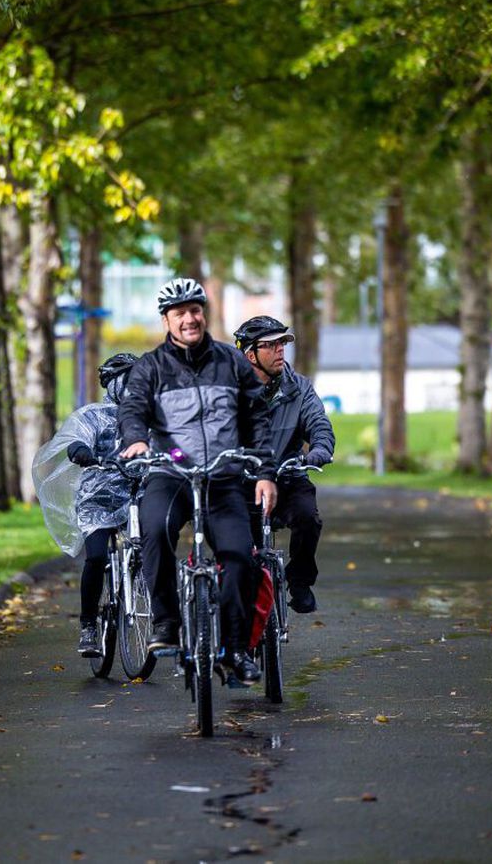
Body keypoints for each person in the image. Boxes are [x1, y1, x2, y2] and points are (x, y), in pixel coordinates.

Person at [118, 277, 277, 686]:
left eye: (194, 310)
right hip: (171, 476)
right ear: (167, 321)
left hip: (223, 478)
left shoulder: (231, 361)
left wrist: (263, 472)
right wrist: (135, 440)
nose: (189, 319)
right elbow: (133, 409)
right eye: (179, 313)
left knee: (241, 556)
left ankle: (235, 650)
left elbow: (256, 418)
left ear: (204, 313)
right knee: (153, 531)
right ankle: (166, 624)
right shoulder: (150, 367)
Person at [233, 315, 335, 614]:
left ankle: (299, 581)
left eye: (283, 343)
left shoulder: (299, 387)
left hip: (287, 476)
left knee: (308, 518)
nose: (280, 350)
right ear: (250, 354)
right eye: (271, 345)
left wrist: (319, 449)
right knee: (239, 550)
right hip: (242, 483)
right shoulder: (229, 391)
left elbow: (319, 424)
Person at [50, 353, 141, 657]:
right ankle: (89, 624)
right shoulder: (93, 415)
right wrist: (80, 450)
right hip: (97, 500)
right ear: (113, 384)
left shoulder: (147, 416)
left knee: (155, 544)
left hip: (136, 494)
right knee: (97, 556)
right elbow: (75, 439)